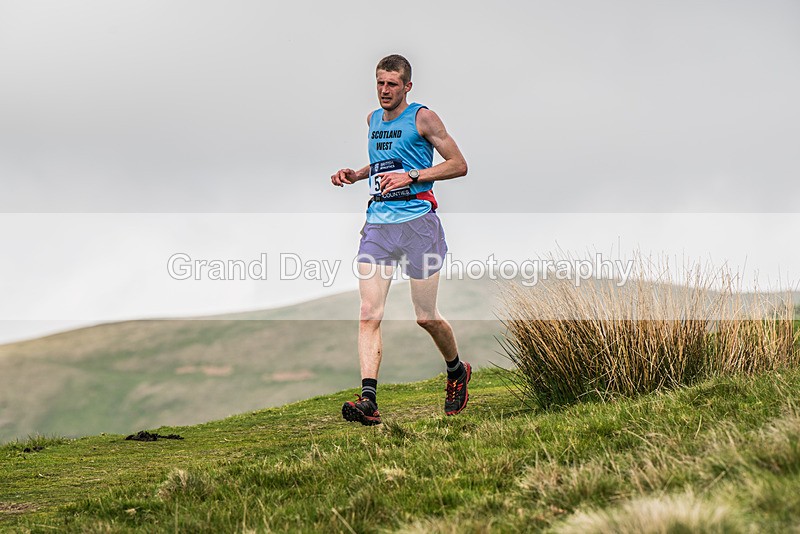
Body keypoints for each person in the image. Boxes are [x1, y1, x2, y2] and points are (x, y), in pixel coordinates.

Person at [330, 54, 470, 426]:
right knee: (368, 312)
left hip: (418, 223)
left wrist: (413, 176)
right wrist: (357, 175)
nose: (384, 90)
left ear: (407, 86)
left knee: (425, 317)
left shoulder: (423, 117)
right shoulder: (372, 120)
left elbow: (458, 164)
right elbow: (385, 163)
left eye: (392, 84)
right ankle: (369, 401)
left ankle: (456, 371)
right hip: (378, 224)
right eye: (380, 83)